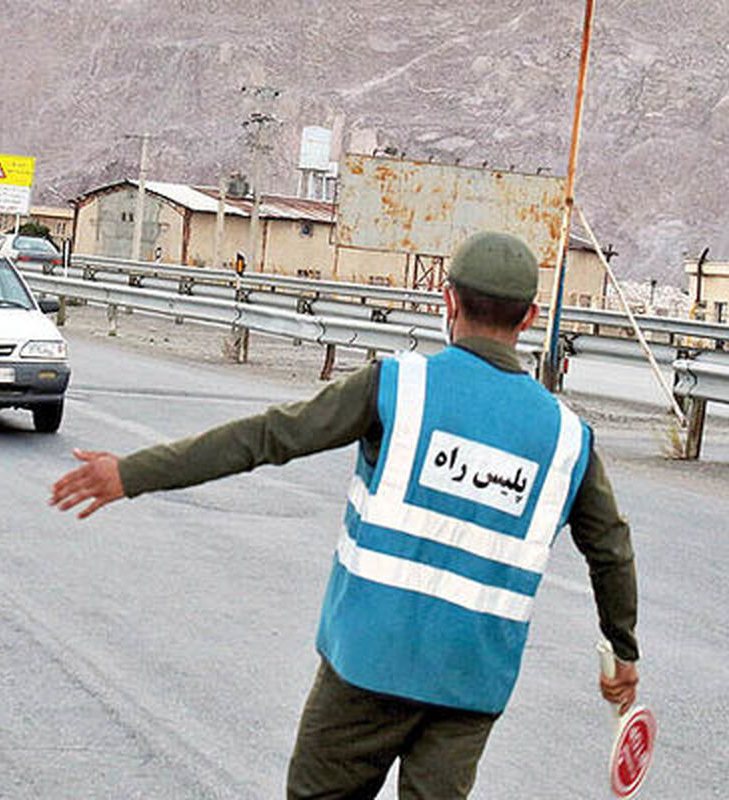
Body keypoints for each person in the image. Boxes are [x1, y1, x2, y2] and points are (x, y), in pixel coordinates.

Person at [50, 231, 640, 799]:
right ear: (530, 319)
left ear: (448, 300)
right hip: (471, 682)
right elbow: (610, 549)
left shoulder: (397, 386)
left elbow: (268, 436)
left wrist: (131, 474)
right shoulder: (568, 438)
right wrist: (622, 653)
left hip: (366, 665)